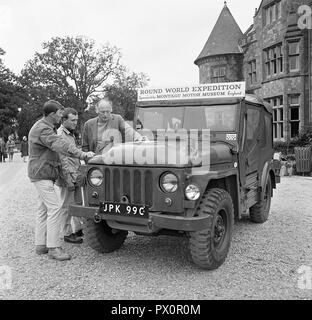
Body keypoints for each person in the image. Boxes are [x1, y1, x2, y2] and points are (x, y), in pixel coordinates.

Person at [28, 100, 94, 261]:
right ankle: (53, 247)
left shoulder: (43, 126)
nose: (61, 116)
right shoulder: (44, 129)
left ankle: (41, 245)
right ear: (52, 114)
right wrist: (83, 154)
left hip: (42, 174)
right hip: (42, 174)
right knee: (55, 209)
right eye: (59, 114)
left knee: (43, 209)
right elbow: (60, 145)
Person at [55, 108, 84, 244]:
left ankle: (78, 228)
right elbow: (62, 159)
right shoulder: (61, 134)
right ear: (64, 120)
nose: (75, 123)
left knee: (77, 202)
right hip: (68, 175)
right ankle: (66, 233)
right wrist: (67, 179)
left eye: (76, 120)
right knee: (66, 205)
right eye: (72, 120)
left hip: (75, 173)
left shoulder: (69, 133)